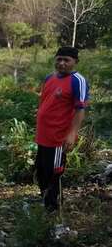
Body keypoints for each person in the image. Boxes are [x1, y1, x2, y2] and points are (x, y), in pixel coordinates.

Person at [35, 46, 89, 211]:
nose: (62, 63)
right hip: (43, 135)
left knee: (54, 173)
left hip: (58, 137)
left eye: (67, 60)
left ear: (75, 62)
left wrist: (72, 134)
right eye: (59, 59)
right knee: (41, 171)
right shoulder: (49, 78)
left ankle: (53, 209)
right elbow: (45, 101)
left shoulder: (77, 80)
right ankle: (46, 200)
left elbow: (80, 109)